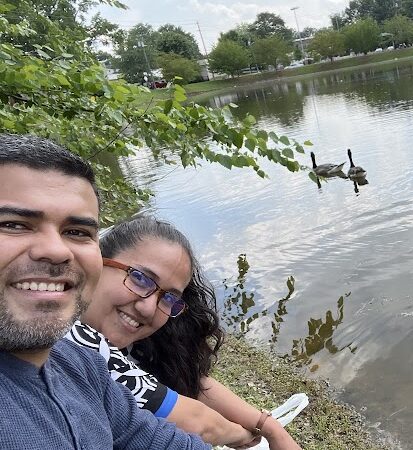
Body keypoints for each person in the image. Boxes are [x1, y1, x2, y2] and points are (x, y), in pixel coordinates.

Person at [0, 133, 209, 449]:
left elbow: (157, 440)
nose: (57, 251)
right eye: (14, 224)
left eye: (77, 232)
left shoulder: (79, 364)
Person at [67, 215, 301, 450]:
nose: (148, 308)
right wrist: (245, 437)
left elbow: (192, 382)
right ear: (97, 261)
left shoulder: (130, 345)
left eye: (168, 297)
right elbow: (199, 423)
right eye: (139, 278)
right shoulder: (70, 338)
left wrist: (270, 428)